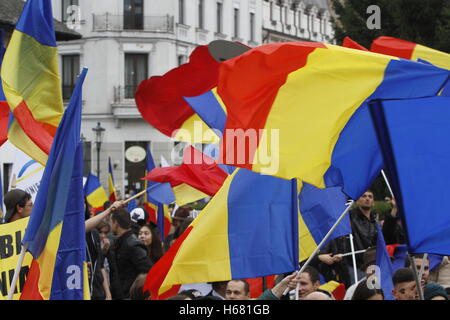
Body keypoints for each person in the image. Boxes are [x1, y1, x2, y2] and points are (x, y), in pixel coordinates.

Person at [110, 208, 152, 299]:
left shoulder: (133, 245)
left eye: (111, 222)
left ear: (116, 223)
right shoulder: (120, 243)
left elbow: (148, 271)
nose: (110, 225)